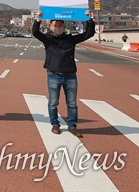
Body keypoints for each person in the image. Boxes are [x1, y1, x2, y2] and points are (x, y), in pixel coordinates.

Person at [32, 10, 95, 138]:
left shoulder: (70, 40)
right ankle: (55, 124)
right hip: (53, 74)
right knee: (53, 102)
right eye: (55, 25)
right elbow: (35, 32)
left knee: (72, 104)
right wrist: (38, 20)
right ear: (50, 27)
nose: (58, 27)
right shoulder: (47, 39)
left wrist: (89, 19)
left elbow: (88, 33)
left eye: (60, 25)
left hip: (70, 75)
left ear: (65, 27)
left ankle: (72, 126)